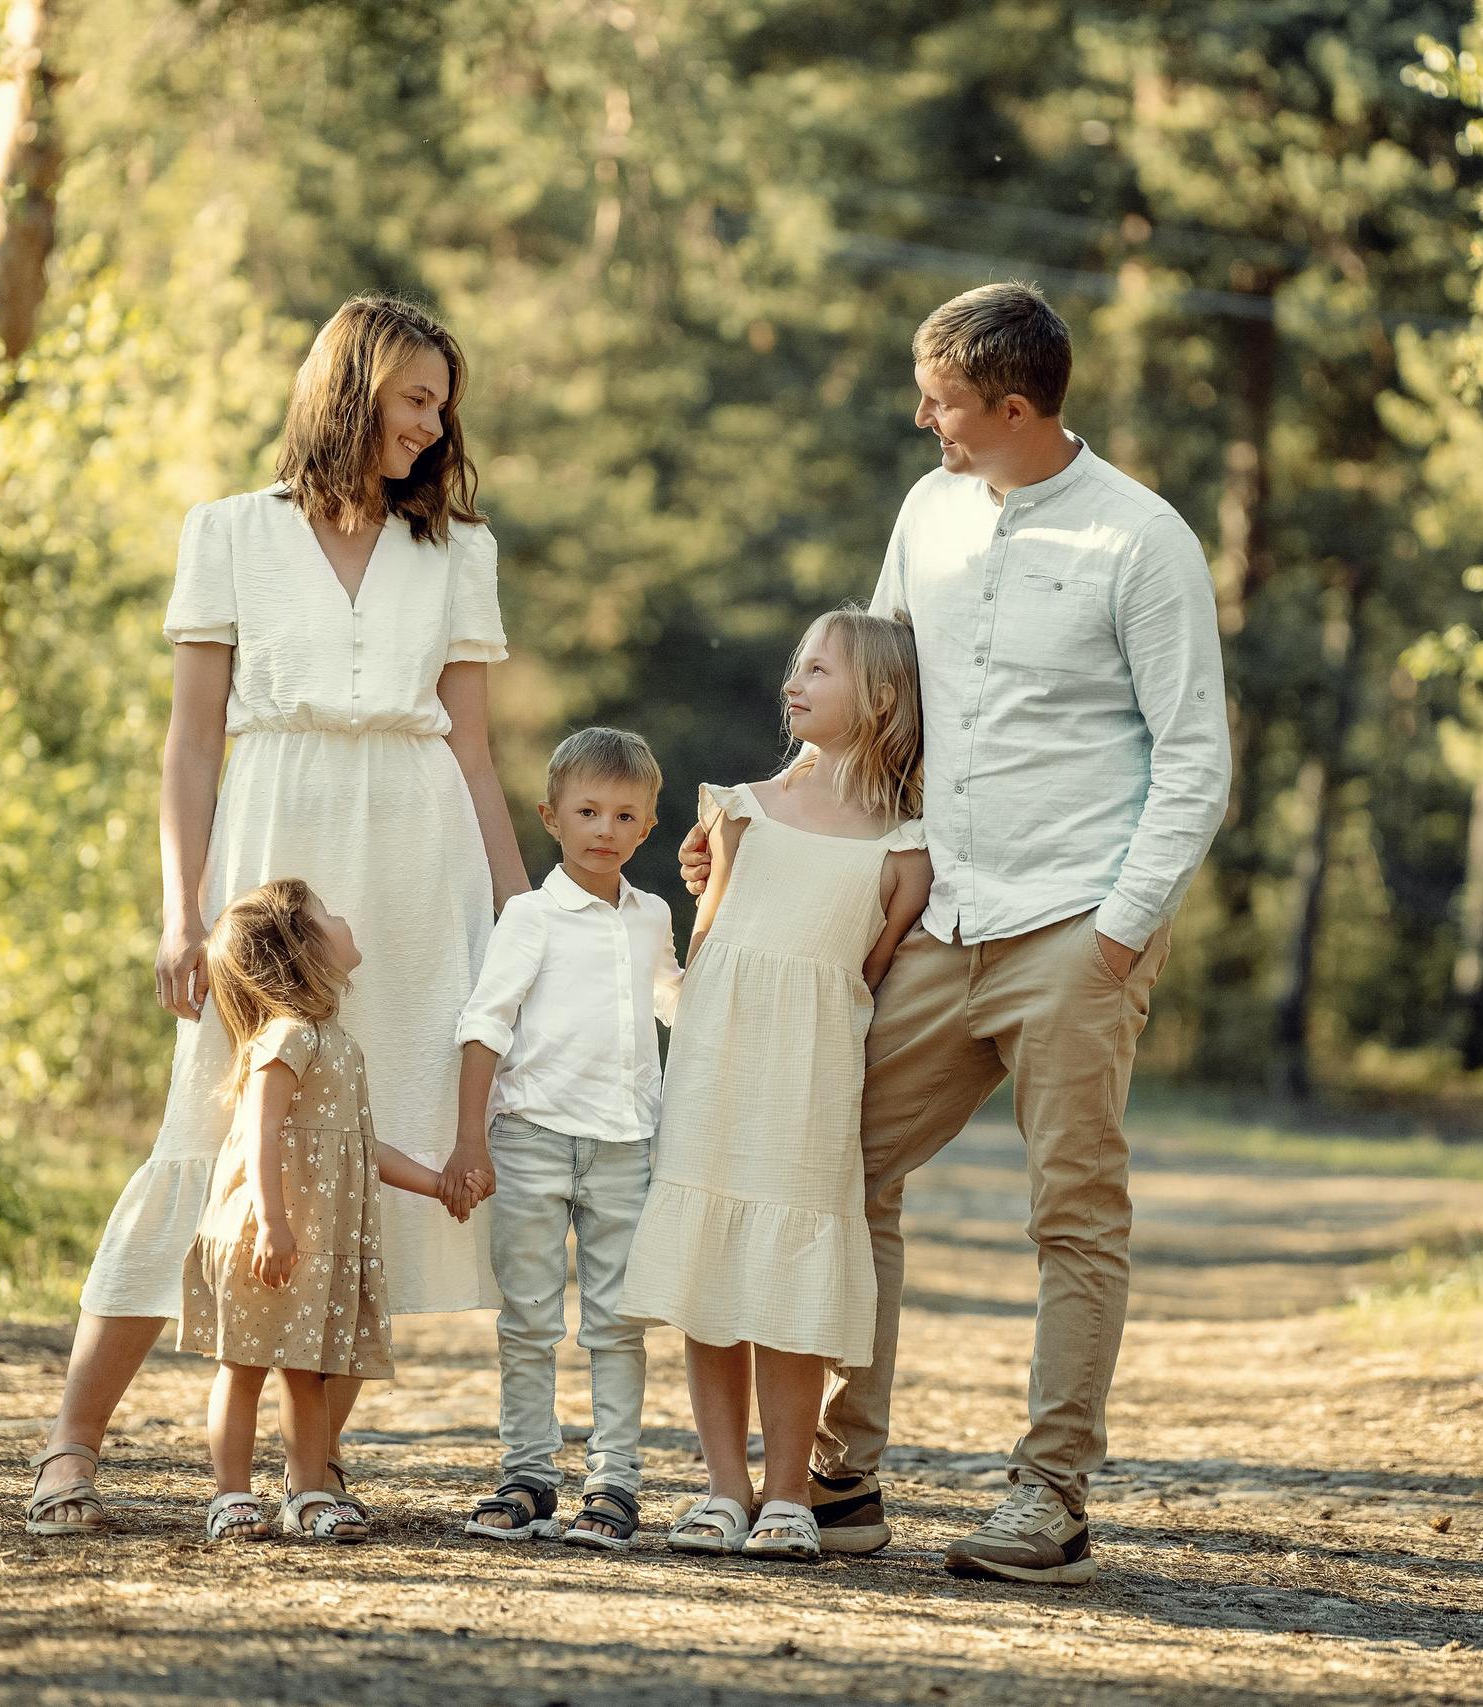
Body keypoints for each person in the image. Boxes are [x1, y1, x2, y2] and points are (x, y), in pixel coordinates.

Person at [680, 284, 1231, 1585]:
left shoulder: (1142, 543)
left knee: (1073, 1210)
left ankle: (1050, 1492)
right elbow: (875, 705)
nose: (924, 419)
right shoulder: (927, 512)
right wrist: (769, 828)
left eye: (944, 402)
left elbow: (1194, 755)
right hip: (939, 911)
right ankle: (843, 1468)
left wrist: (1120, 930)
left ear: (1019, 407)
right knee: (834, 1151)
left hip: (1073, 928)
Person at [25, 296, 527, 1536]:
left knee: (360, 1142)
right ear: (351, 391)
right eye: (415, 397)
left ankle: (311, 1463)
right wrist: (178, 909)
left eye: (442, 403)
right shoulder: (230, 534)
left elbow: (473, 754)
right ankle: (69, 1446)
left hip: (417, 864)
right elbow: (191, 743)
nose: (435, 422)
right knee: (205, 1136)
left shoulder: (458, 548)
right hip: (271, 854)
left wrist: (524, 919)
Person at [624, 609, 932, 1562]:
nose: (792, 683)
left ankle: (791, 1493)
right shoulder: (740, 806)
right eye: (794, 667)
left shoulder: (905, 845)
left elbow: (869, 972)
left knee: (790, 1274)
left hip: (810, 1071)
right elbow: (709, 938)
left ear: (879, 698)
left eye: (818, 670)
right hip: (719, 1055)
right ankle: (724, 1488)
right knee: (713, 1268)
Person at [451, 727, 682, 1552]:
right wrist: (469, 1142)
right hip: (531, 1140)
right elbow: (486, 1024)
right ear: (551, 815)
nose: (604, 829)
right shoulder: (530, 916)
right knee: (529, 1318)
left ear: (648, 826)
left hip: (625, 1143)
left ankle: (615, 1481)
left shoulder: (650, 915)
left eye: (625, 815)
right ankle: (528, 1474)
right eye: (588, 810)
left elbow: (674, 1003)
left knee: (619, 1321)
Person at [179, 880, 464, 1542]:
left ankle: (307, 1492)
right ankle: (231, 1494)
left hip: (309, 1238)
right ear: (300, 947)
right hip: (266, 1233)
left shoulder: (333, 1040)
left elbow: (360, 1149)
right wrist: (273, 1222)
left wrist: (437, 1182)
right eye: (326, 914)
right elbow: (260, 1129)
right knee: (244, 1365)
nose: (343, 917)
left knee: (309, 1371)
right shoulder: (287, 1038)